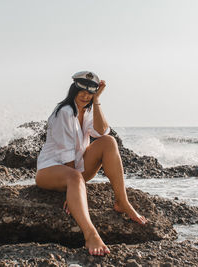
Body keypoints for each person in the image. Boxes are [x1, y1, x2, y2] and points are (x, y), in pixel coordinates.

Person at [35, 71, 148, 256]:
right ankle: (91, 234)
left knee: (109, 141)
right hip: (50, 170)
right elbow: (66, 154)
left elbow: (101, 131)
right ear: (74, 89)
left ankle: (122, 201)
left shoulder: (87, 110)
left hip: (77, 171)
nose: (85, 96)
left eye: (90, 93)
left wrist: (96, 102)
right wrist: (70, 190)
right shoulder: (64, 112)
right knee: (74, 176)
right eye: (81, 91)